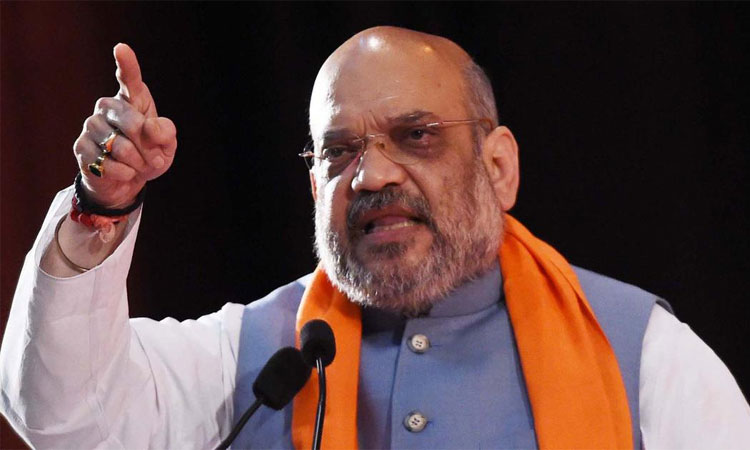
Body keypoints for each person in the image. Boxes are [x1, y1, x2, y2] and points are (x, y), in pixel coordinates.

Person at [1, 26, 749, 449]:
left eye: (416, 135)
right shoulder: (260, 356)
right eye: (339, 151)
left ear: (498, 168)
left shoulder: (643, 356)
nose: (371, 175)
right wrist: (98, 206)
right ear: (314, 187)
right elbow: (62, 417)